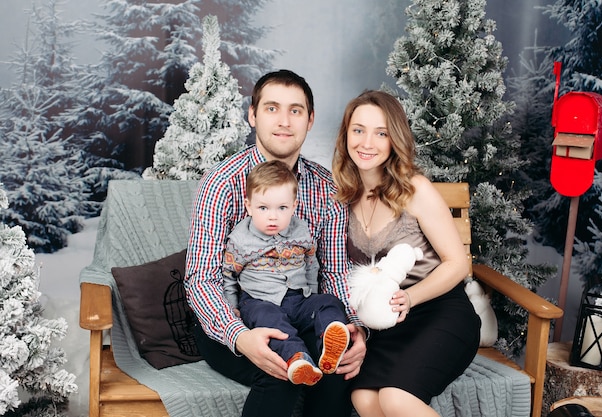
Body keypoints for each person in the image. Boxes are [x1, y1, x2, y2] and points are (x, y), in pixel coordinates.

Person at [185, 69, 367, 417]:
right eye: (272, 108)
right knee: (282, 373)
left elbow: (333, 271)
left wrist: (354, 328)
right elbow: (202, 278)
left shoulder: (326, 189)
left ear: (310, 120)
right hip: (235, 318)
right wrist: (239, 336)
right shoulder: (221, 184)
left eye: (295, 110)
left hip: (300, 309)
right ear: (252, 115)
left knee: (336, 371)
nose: (284, 121)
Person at [331, 90, 481, 417]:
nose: (366, 142)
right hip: (387, 324)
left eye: (380, 133)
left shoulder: (415, 190)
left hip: (439, 310)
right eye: (358, 130)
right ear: (345, 136)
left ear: (393, 139)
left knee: (396, 399)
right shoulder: (342, 195)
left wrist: (410, 298)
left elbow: (457, 265)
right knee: (365, 399)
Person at [222, 160, 350, 386]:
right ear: (249, 206)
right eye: (263, 208)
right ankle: (298, 359)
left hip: (299, 298)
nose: (273, 216)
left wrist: (313, 293)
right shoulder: (240, 240)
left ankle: (330, 343)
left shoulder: (301, 231)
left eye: (282, 208)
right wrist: (233, 307)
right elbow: (229, 275)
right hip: (259, 301)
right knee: (272, 323)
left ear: (293, 206)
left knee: (329, 302)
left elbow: (311, 262)